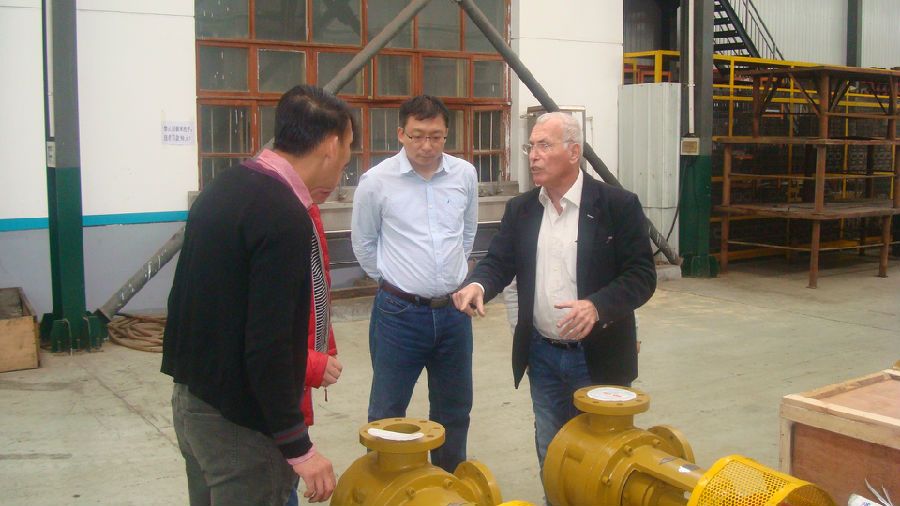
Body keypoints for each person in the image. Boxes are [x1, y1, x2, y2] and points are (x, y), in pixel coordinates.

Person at [162, 84, 356, 505]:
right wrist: (298, 446)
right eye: (347, 153)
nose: (344, 166)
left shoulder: (225, 186)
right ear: (331, 145)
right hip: (242, 427)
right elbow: (269, 345)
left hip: (195, 404)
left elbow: (182, 306)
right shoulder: (283, 215)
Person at [452, 112, 656, 482]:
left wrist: (597, 306)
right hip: (543, 356)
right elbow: (499, 261)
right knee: (551, 449)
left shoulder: (617, 205)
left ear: (574, 152)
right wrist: (477, 285)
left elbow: (641, 276)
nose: (533, 155)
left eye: (544, 146)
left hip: (598, 356)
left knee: (601, 463)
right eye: (531, 146)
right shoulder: (522, 209)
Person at [351, 94, 478, 473]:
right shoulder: (376, 182)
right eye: (417, 135)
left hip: (454, 312)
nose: (427, 146)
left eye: (436, 137)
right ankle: (384, 487)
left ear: (447, 135)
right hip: (399, 315)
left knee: (454, 408)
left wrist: (451, 277)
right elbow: (363, 242)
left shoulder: (464, 175)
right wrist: (395, 281)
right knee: (388, 411)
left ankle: (449, 484)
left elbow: (467, 232)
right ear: (401, 134)